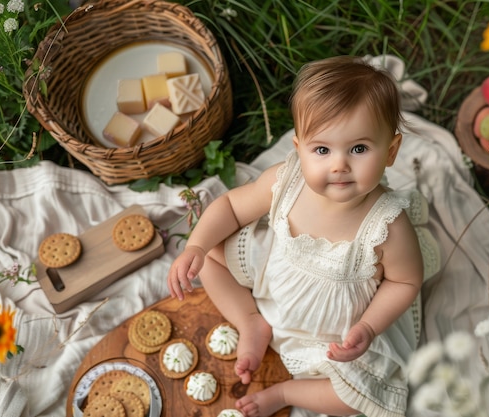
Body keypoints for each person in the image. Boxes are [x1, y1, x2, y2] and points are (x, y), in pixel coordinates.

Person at [167, 55, 424, 417]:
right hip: (275, 276)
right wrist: (195, 245)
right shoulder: (285, 181)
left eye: (359, 149)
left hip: (335, 325)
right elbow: (230, 208)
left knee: (357, 399)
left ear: (391, 152)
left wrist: (367, 328)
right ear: (298, 148)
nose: (339, 165)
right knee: (210, 259)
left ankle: (288, 392)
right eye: (322, 150)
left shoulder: (387, 226)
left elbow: (405, 282)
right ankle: (250, 321)